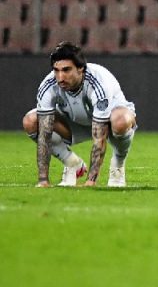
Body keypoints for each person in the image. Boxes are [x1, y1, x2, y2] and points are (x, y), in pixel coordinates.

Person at [24, 42, 137, 188]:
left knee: (121, 121)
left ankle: (118, 164)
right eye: (56, 70)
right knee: (31, 121)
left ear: (80, 68)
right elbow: (44, 135)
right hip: (73, 123)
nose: (60, 77)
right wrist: (43, 180)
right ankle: (72, 162)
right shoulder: (48, 86)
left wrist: (91, 181)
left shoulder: (98, 83)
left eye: (66, 70)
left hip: (107, 122)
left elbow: (100, 137)